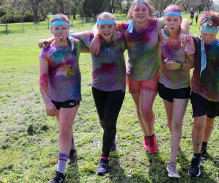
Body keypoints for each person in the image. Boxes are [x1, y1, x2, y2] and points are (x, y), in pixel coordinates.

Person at [91, 0, 190, 154]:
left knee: (145, 108)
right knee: (138, 108)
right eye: (137, 9)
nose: (140, 12)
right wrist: (97, 36)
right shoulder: (124, 26)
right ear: (132, 12)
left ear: (148, 11)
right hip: (132, 75)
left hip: (151, 75)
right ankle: (147, 137)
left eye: (143, 9)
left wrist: (183, 32)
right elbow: (100, 24)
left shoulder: (156, 23)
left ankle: (150, 136)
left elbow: (184, 20)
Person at [40, 12, 127, 176]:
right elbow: (66, 35)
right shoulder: (89, 36)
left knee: (109, 122)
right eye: (102, 26)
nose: (106, 30)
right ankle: (111, 136)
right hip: (98, 87)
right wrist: (48, 41)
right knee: (103, 121)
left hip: (117, 87)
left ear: (115, 26)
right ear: (98, 26)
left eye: (110, 26)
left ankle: (104, 159)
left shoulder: (122, 37)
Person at [188, 11, 219, 177]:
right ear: (200, 30)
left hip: (216, 93)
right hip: (197, 89)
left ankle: (204, 146)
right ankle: (196, 158)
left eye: (210, 33)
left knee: (209, 122)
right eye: (203, 33)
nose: (206, 36)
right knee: (199, 122)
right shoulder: (195, 42)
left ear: (217, 31)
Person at [39, 14, 88, 183]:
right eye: (56, 28)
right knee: (64, 127)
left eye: (64, 28)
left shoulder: (76, 45)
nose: (60, 32)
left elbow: (89, 34)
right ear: (51, 30)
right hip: (54, 97)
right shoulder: (46, 52)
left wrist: (73, 34)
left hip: (72, 95)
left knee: (64, 130)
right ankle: (72, 150)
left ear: (69, 28)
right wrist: (47, 102)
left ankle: (60, 173)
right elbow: (42, 79)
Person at [158, 5, 195, 178]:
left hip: (181, 86)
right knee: (170, 120)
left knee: (177, 123)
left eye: (175, 19)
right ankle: (176, 144)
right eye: (169, 19)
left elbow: (192, 63)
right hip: (164, 84)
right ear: (164, 21)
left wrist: (180, 65)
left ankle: (172, 163)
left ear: (180, 21)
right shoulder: (160, 35)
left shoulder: (186, 39)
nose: (172, 23)